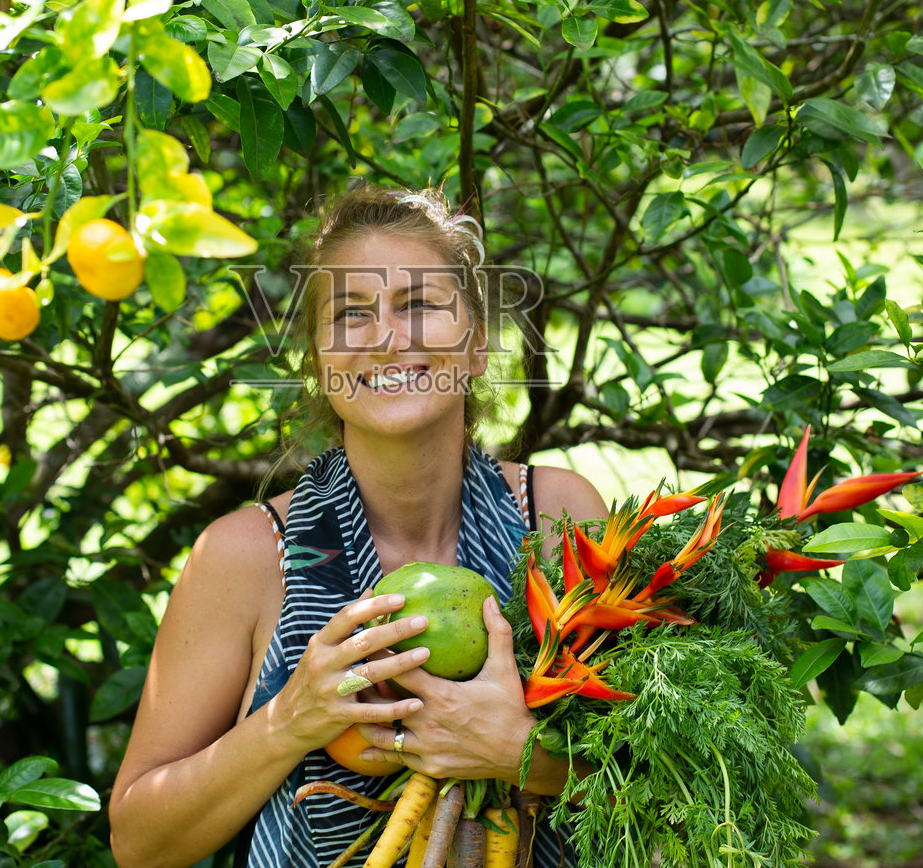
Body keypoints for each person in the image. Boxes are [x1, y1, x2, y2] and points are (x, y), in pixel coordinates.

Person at [108, 186, 606, 868]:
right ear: (317, 363)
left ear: (478, 345)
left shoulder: (556, 518)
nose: (386, 338)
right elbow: (139, 841)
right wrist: (289, 719)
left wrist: (524, 754)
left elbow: (673, 781)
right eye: (350, 314)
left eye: (421, 305)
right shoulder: (247, 556)